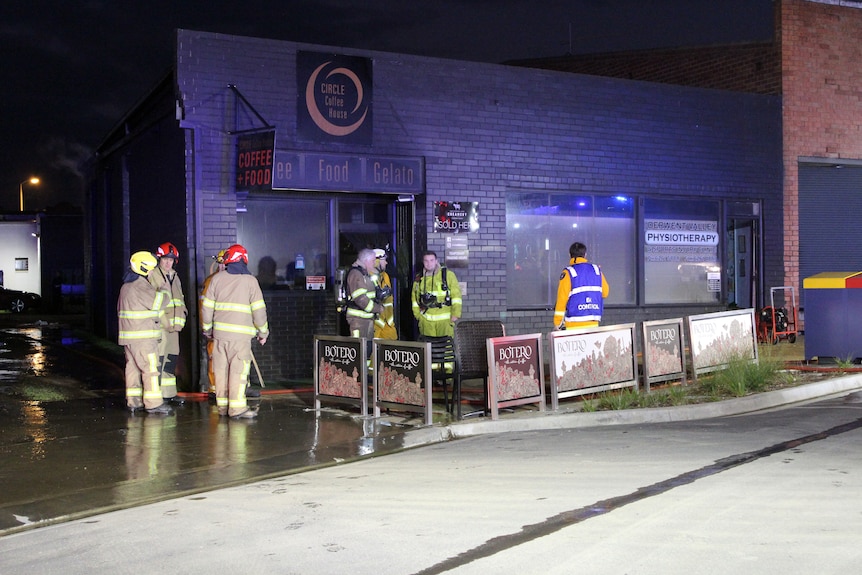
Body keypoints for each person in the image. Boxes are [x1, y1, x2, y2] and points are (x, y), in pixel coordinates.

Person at [200, 244, 269, 419]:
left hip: (220, 337)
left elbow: (206, 308)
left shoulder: (216, 279)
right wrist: (263, 332)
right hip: (240, 339)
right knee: (238, 372)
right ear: (244, 259)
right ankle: (237, 409)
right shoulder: (250, 281)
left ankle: (222, 408)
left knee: (221, 371)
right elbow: (259, 310)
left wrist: (207, 329)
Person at [118, 251, 172, 415]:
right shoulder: (140, 286)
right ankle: (154, 404)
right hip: (143, 338)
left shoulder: (126, 286)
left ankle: (133, 402)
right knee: (150, 369)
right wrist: (165, 289)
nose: (151, 273)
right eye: (149, 269)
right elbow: (160, 302)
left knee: (133, 369)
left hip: (130, 338)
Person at [149, 242, 188, 405]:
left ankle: (169, 393)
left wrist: (182, 319)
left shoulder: (175, 276)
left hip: (174, 328)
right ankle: (156, 396)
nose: (168, 263)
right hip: (161, 326)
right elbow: (154, 303)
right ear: (159, 259)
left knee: (171, 359)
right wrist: (165, 323)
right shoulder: (153, 275)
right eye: (165, 259)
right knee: (159, 360)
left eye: (171, 260)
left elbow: (180, 300)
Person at [553, 242, 609, 330]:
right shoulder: (596, 270)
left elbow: (562, 298)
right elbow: (605, 293)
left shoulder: (568, 272)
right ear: (585, 255)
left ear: (569, 255)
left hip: (573, 325)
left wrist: (557, 322)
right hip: (593, 323)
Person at [411, 250, 462, 338]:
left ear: (436, 261)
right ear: (423, 262)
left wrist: (455, 314)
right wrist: (418, 316)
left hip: (444, 320)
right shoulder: (419, 278)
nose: (429, 263)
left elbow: (456, 295)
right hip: (426, 321)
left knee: (446, 347)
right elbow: (414, 299)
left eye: (431, 260)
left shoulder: (447, 275)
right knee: (429, 348)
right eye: (426, 261)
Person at [199, 248, 227, 396]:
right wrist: (207, 329)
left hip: (229, 331)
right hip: (216, 331)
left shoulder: (233, 281)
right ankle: (215, 389)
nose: (223, 267)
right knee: (215, 360)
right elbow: (204, 307)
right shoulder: (211, 281)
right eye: (221, 263)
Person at [344, 248, 384, 341]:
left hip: (366, 319)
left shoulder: (364, 273)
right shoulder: (356, 274)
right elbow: (361, 299)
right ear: (366, 261)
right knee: (360, 350)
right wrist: (377, 308)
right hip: (358, 320)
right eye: (373, 261)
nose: (375, 263)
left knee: (367, 350)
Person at [371, 248, 397, 340]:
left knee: (391, 350)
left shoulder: (385, 276)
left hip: (388, 323)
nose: (386, 263)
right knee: (372, 352)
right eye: (384, 260)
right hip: (374, 324)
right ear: (377, 261)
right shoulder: (366, 276)